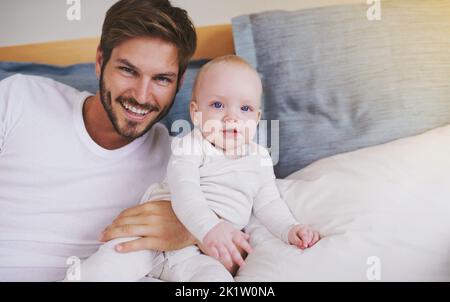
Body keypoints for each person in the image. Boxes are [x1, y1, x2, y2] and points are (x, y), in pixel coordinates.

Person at [70, 55, 321, 282]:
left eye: (244, 108)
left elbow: (269, 203)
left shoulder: (259, 159)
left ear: (256, 118)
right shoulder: (190, 145)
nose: (231, 118)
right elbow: (184, 191)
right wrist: (210, 227)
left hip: (197, 255)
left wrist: (290, 229)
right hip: (151, 238)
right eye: (218, 105)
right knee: (106, 268)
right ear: (196, 113)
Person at [0, 0, 199, 281]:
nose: (141, 97)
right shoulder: (19, 99)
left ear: (179, 84)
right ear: (99, 62)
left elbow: (240, 223)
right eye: (128, 70)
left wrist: (190, 229)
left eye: (162, 79)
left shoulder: (179, 163)